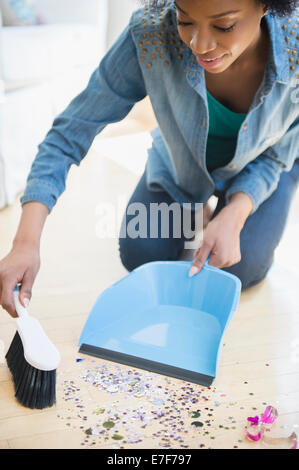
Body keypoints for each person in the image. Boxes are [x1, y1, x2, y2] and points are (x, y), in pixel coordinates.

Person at [0, 0, 298, 317]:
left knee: (237, 269)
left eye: (223, 26)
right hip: (180, 164)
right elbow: (70, 132)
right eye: (185, 20)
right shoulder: (152, 32)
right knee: (142, 254)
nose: (200, 44)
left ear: (266, 5)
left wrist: (238, 210)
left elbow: (283, 150)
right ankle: (196, 208)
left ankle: (219, 209)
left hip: (265, 164)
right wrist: (25, 244)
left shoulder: (294, 46)